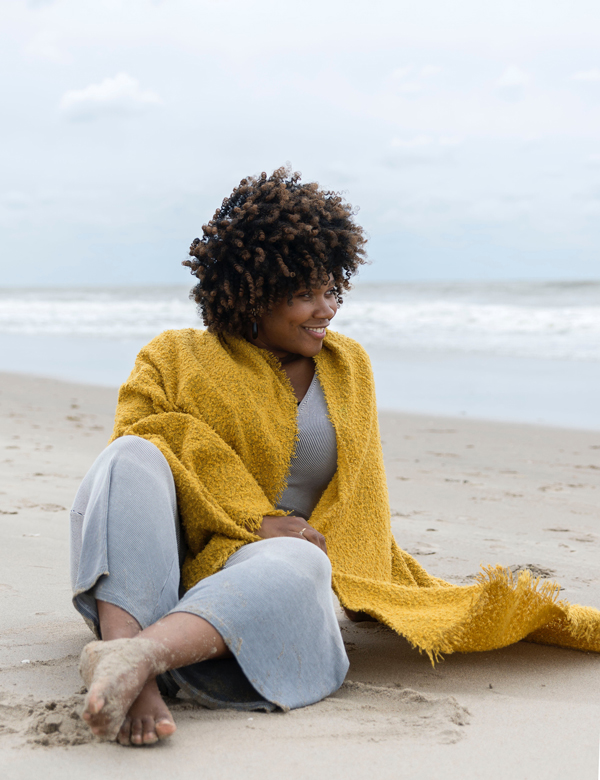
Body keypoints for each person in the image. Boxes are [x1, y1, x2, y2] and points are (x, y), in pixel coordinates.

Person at [71, 166, 600, 748]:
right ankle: (122, 643)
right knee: (130, 455)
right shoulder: (174, 356)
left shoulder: (349, 367)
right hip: (167, 565)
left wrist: (281, 542)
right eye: (304, 295)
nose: (327, 309)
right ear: (252, 290)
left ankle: (136, 658)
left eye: (333, 290)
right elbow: (141, 455)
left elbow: (358, 500)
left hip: (263, 574)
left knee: (304, 562)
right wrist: (252, 517)